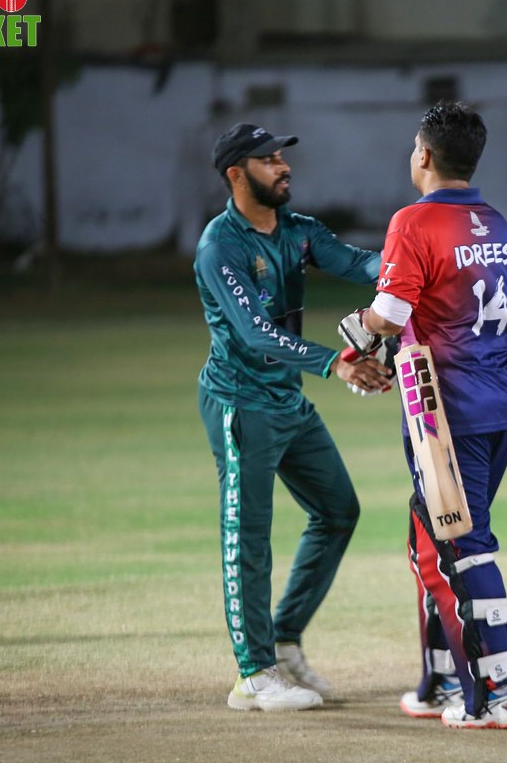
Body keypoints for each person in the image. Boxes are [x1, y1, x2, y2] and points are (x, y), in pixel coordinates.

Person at [337, 102, 507, 728]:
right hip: (502, 398)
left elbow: (391, 314)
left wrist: (357, 329)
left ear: (423, 154)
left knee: (461, 543)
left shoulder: (414, 221)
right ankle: (441, 681)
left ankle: (501, 690)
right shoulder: (494, 220)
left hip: (446, 411)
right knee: (431, 540)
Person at [194, 123, 392, 712]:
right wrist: (337, 363)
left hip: (286, 401)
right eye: (268, 159)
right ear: (236, 174)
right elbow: (256, 334)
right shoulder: (220, 247)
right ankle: (253, 676)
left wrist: (420, 260)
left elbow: (362, 265)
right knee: (248, 538)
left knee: (338, 511)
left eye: (281, 157)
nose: (283, 167)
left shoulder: (299, 231)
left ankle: (282, 643)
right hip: (241, 404)